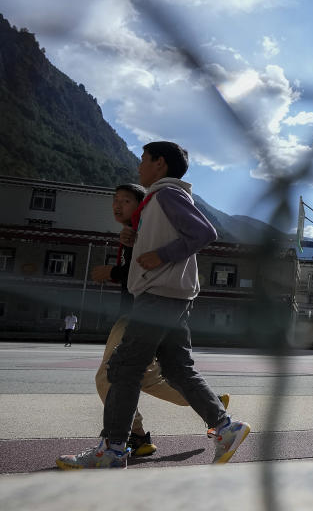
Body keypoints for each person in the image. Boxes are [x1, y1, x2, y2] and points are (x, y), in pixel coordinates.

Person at [56, 141, 249, 469]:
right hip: (169, 297)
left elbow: (204, 232)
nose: (139, 166)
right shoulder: (159, 199)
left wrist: (161, 255)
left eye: (144, 160)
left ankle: (114, 448)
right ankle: (226, 427)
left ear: (160, 164)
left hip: (158, 296)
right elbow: (170, 236)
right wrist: (135, 238)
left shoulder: (166, 194)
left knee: (124, 369)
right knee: (176, 368)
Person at [90, 182, 229, 457]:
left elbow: (150, 265)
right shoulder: (137, 233)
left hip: (145, 310)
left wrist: (114, 272)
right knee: (159, 374)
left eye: (126, 201)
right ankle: (209, 406)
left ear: (142, 206)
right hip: (157, 307)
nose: (118, 206)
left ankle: (124, 440)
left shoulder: (156, 218)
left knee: (113, 375)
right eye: (115, 200)